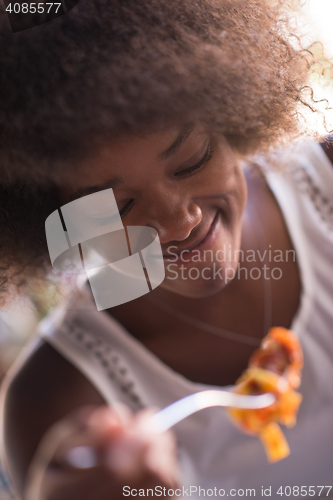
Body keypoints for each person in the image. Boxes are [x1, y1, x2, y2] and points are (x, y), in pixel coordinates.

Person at [0, 0, 333, 498]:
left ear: (232, 116)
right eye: (116, 206)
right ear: (56, 223)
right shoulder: (54, 404)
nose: (179, 222)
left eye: (192, 160)